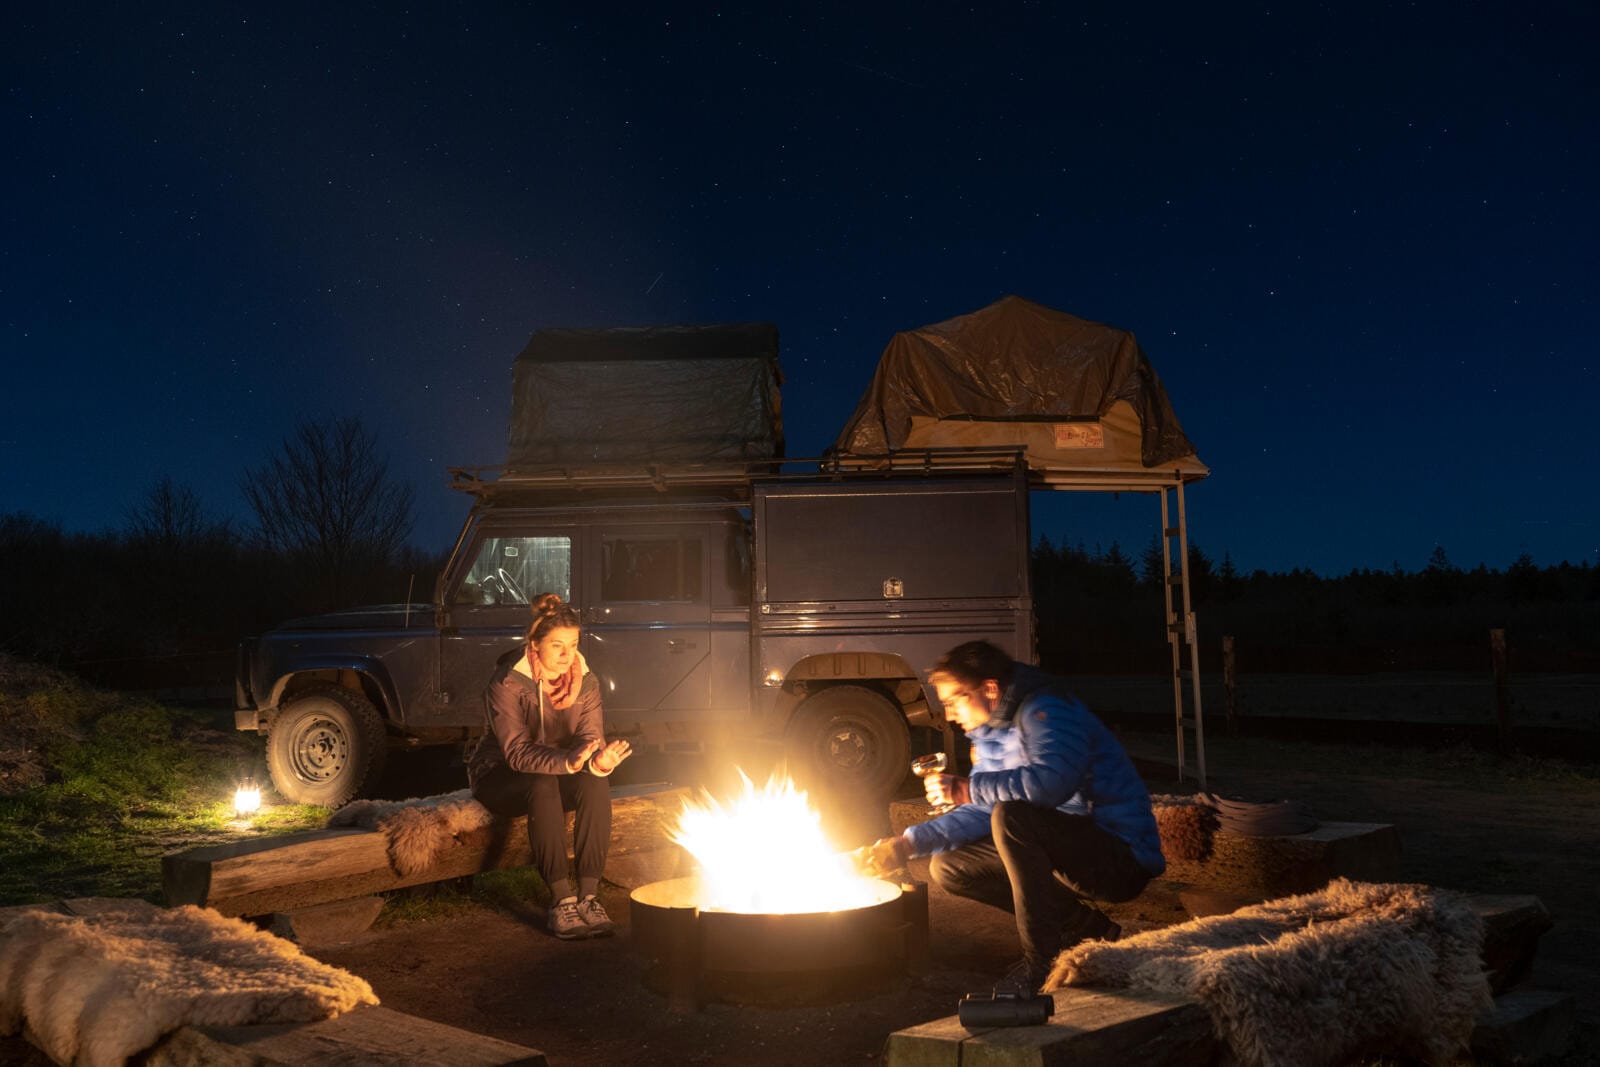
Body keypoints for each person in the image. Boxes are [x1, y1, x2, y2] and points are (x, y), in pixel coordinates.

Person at [858, 640, 1164, 993]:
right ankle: (1081, 928)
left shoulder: (1047, 710)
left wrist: (966, 788)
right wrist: (907, 844)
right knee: (949, 866)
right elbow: (981, 810)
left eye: (955, 699)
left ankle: (1042, 963)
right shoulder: (991, 733)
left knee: (1012, 817)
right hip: (1065, 846)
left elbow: (1051, 785)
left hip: (1118, 856)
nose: (950, 714)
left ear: (989, 688)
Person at [468, 593, 633, 939]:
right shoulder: (507, 683)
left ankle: (589, 895)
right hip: (501, 775)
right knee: (541, 783)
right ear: (535, 644)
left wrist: (598, 761)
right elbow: (516, 753)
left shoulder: (586, 682)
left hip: (562, 770)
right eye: (557, 645)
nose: (566, 654)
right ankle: (561, 901)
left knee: (595, 783)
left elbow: (590, 737)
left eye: (572, 644)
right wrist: (569, 761)